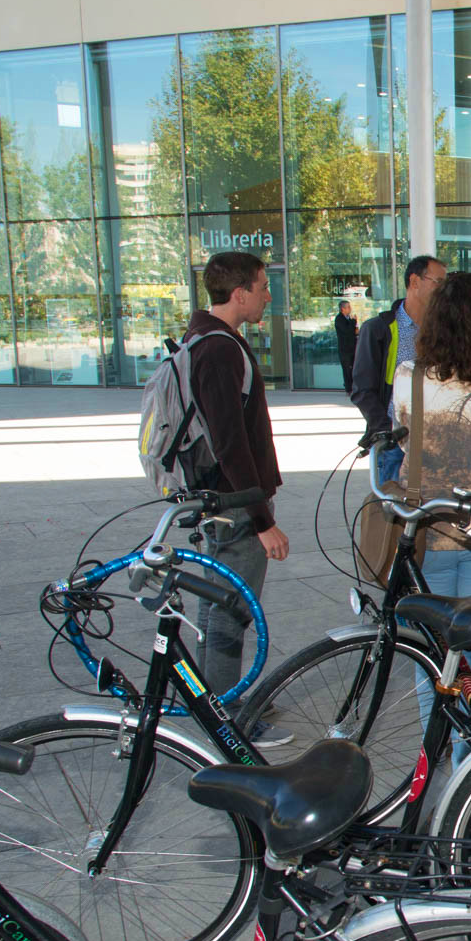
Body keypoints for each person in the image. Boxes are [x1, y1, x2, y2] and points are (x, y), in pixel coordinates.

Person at [391, 272, 471, 761]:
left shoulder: (410, 378)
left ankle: (434, 754)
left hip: (428, 530)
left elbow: (403, 439)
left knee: (431, 651)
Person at [184, 251, 290, 748]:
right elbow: (230, 443)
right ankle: (226, 717)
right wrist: (261, 516)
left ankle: (217, 695)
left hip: (221, 501)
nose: (268, 295)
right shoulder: (220, 349)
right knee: (230, 608)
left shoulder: (207, 338)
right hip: (233, 504)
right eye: (263, 286)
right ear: (240, 292)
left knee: (215, 603)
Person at [351, 254, 445, 481]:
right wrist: (387, 430)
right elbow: (362, 390)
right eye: (439, 283)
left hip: (439, 447)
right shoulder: (378, 329)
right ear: (414, 282)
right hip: (396, 447)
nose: (444, 291)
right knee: (393, 513)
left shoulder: (445, 331)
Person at [333, 299, 359, 394]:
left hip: (352, 347)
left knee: (353, 368)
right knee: (347, 369)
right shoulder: (339, 319)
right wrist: (353, 322)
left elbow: (353, 331)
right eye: (348, 307)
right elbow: (346, 331)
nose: (350, 309)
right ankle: (349, 388)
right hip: (345, 349)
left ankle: (354, 387)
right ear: (342, 309)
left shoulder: (348, 319)